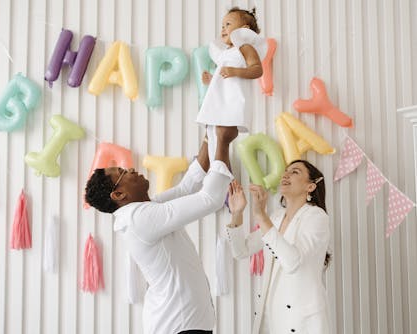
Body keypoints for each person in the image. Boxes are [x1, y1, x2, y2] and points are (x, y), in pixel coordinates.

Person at [85, 126, 238, 334]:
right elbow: (210, 199)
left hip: (182, 324)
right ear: (119, 195)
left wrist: (209, 136)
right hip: (178, 326)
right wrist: (223, 142)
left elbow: (187, 188)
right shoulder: (139, 219)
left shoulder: (143, 211)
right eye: (122, 173)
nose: (131, 169)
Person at [226, 160, 331, 333]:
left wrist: (261, 216)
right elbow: (241, 251)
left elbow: (292, 262)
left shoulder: (316, 217)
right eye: (285, 171)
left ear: (310, 187)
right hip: (271, 318)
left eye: (295, 172)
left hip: (301, 322)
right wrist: (237, 213)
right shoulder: (276, 217)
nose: (285, 175)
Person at [196, 7, 267, 164]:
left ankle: (221, 176)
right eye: (222, 25)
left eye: (228, 24)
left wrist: (235, 71)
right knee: (213, 140)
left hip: (231, 104)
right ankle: (217, 174)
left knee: (220, 140)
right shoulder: (226, 53)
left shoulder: (245, 47)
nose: (223, 29)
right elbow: (225, 78)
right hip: (220, 103)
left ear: (244, 29)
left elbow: (257, 70)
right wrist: (213, 79)